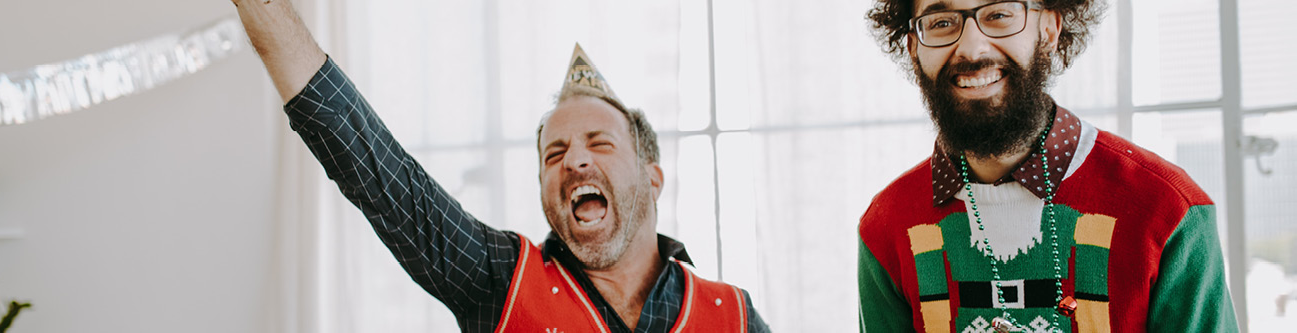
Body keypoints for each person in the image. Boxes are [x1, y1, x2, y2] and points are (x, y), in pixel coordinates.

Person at [230, 1, 770, 332]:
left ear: (652, 177)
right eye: (554, 155)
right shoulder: (500, 280)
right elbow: (370, 161)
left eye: (598, 143)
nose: (574, 160)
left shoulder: (734, 317)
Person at [857, 0, 1239, 332]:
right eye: (941, 23)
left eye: (1000, 14)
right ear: (912, 48)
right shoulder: (885, 226)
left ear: (1050, 28)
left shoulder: (1169, 209)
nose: (971, 48)